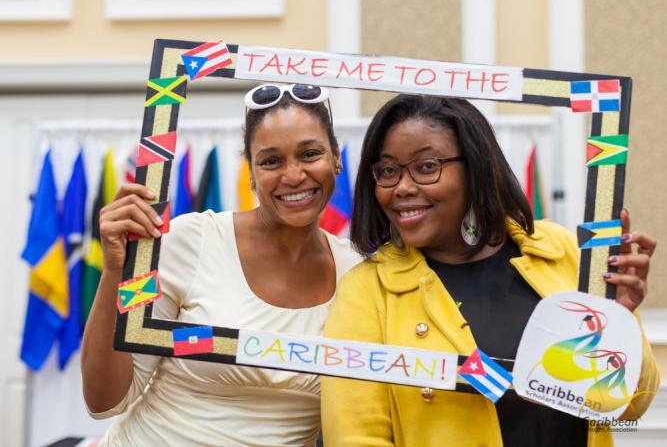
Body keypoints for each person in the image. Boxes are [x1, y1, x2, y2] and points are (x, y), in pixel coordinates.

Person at [321, 94, 659, 447]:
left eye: (425, 166)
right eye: (388, 170)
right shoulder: (367, 291)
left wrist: (620, 319)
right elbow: (355, 437)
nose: (402, 187)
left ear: (477, 169)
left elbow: (630, 407)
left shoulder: (559, 251)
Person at [81, 84, 361, 446]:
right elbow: (106, 401)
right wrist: (116, 272)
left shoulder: (356, 273)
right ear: (251, 172)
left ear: (336, 157)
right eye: (271, 161)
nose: (293, 176)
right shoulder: (189, 243)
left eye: (309, 154)